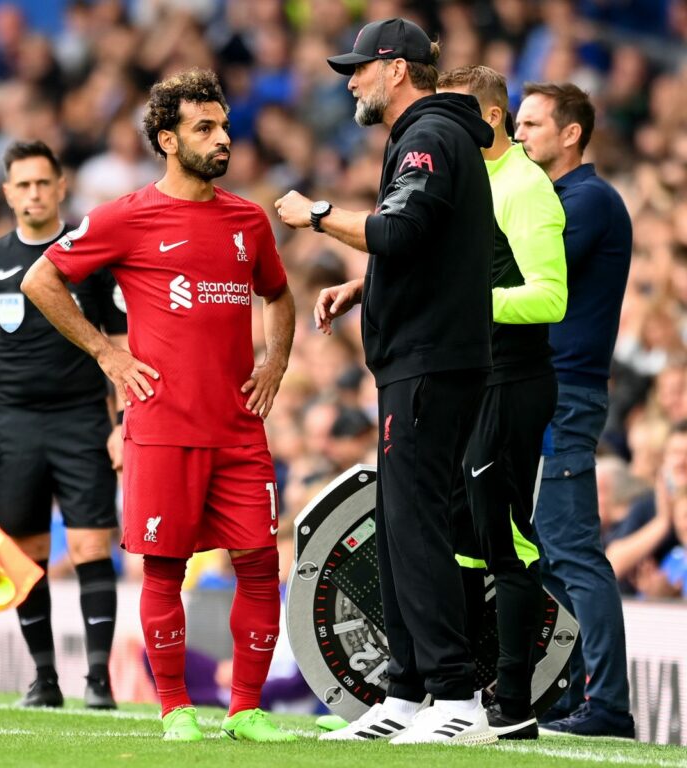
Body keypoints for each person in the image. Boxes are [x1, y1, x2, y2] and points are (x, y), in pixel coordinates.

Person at [20, 69, 296, 743]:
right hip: (163, 427)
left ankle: (247, 711)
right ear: (169, 139)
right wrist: (107, 355)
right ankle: (175, 709)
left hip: (237, 427)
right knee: (164, 569)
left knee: (260, 561)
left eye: (224, 124)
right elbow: (42, 277)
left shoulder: (247, 219)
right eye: (205, 127)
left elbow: (279, 296)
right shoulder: (128, 216)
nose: (222, 137)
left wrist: (275, 363)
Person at [276, 18, 497, 745]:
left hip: (432, 359)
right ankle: (406, 693)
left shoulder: (430, 136)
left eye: (360, 68)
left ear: (396, 67)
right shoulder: (430, 135)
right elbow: (436, 249)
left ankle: (454, 695)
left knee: (417, 517)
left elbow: (400, 231)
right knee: (404, 519)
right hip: (422, 355)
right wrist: (366, 288)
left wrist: (313, 215)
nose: (351, 81)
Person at [0, 140, 127, 709]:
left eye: (41, 183)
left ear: (60, 188)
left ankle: (99, 680)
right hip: (15, 423)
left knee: (88, 544)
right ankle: (44, 678)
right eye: (21, 184)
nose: (32, 192)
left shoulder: (90, 254)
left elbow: (122, 340)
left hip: (82, 419)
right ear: (7, 193)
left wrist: (123, 417)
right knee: (26, 552)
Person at [436, 65, 567, 740]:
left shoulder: (526, 187)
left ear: (488, 119)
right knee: (464, 542)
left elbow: (551, 296)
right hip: (470, 381)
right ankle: (461, 696)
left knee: (507, 541)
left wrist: (464, 304)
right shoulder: (470, 183)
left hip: (514, 383)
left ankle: (514, 704)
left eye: (451, 116)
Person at [515, 82, 635, 738]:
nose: (519, 134)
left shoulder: (588, 201)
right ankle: (581, 691)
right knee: (550, 551)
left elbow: (520, 269)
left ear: (570, 134)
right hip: (545, 391)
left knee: (571, 546)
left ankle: (609, 704)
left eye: (532, 124)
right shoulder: (552, 201)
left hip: (566, 393)